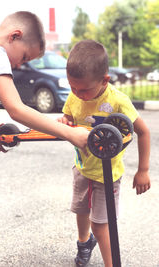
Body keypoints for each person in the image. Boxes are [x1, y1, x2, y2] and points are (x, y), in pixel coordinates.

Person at [0, 12, 90, 267]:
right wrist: (69, 133)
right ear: (15, 36)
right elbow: (17, 109)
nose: (19, 65)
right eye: (24, 57)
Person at [57, 40, 151, 267]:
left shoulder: (118, 101)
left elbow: (144, 132)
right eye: (72, 87)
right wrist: (65, 121)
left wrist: (143, 170)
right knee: (80, 210)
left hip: (107, 176)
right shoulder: (74, 96)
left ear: (104, 80)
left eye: (84, 89)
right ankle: (83, 242)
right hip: (82, 168)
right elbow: (68, 117)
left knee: (100, 224)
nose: (77, 94)